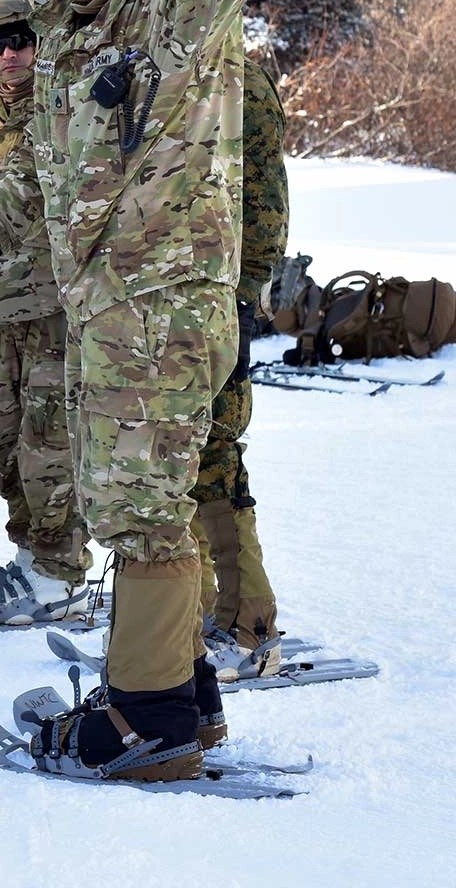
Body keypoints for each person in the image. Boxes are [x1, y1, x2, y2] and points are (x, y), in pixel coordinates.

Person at [0, 0, 269, 781]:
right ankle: (186, 695)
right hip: (106, 308)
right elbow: (41, 170)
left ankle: (144, 722)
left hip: (161, 301)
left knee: (136, 506)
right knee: (135, 497)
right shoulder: (68, 37)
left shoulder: (173, 12)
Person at [0, 0, 89, 625]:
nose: (9, 54)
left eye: (21, 40)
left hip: (50, 313)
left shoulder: (67, 109)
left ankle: (59, 569)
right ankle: (31, 556)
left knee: (48, 446)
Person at [191, 55, 289, 686]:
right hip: (165, 300)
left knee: (216, 456)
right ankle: (192, 614)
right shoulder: (170, 64)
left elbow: (265, 197)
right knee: (177, 461)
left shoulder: (238, 76)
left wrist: (246, 291)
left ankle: (249, 624)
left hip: (222, 299)